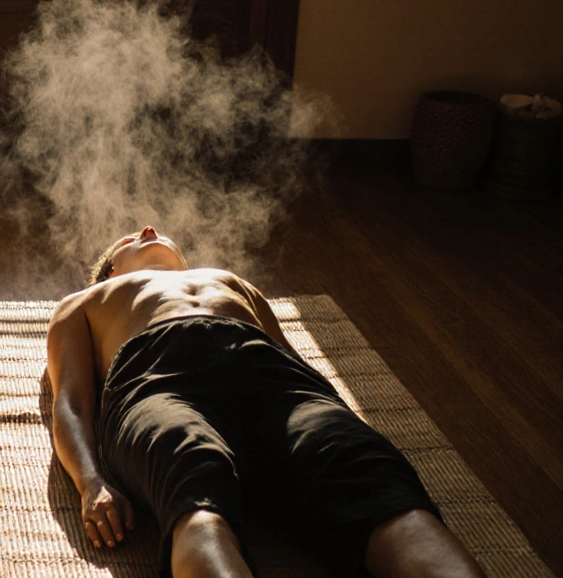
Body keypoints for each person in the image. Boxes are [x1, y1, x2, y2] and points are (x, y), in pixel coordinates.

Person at [46, 226, 487, 578]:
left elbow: (296, 364)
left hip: (276, 382)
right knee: (194, 490)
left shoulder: (232, 282)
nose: (147, 228)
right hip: (159, 380)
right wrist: (91, 482)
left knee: (367, 475)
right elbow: (71, 402)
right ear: (109, 274)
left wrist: (338, 423)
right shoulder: (84, 301)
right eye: (128, 239)